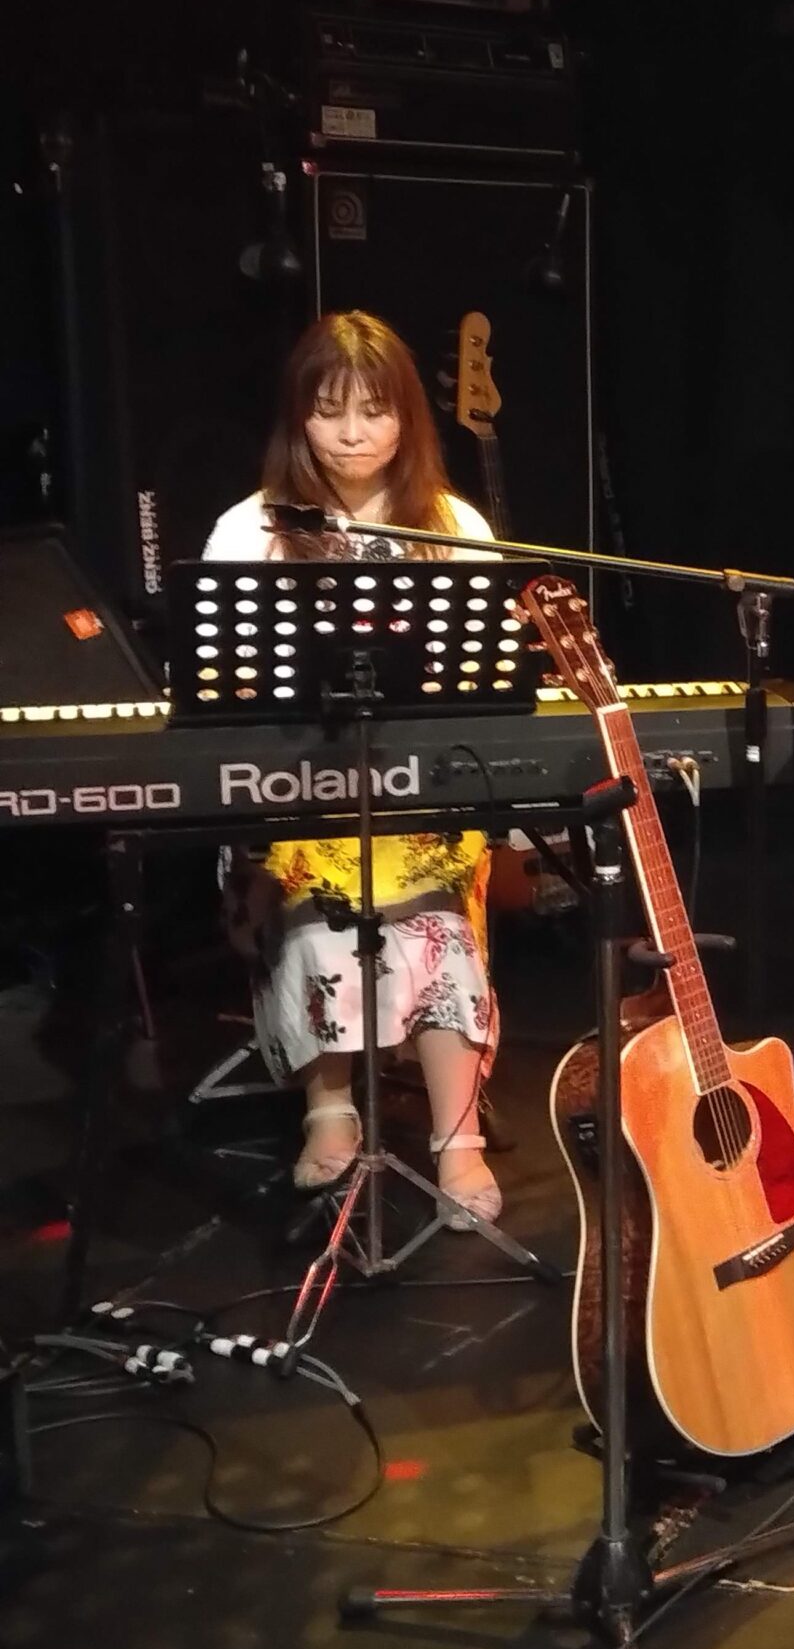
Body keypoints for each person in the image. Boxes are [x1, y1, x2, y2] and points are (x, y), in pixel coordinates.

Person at [203, 310, 504, 1227]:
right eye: (329, 411)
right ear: (298, 418)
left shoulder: (451, 524)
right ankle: (328, 1106)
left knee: (437, 919)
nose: (351, 433)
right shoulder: (252, 528)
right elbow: (217, 678)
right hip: (300, 786)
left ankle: (459, 1140)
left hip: (416, 788)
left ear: (408, 417)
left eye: (375, 411)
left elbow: (484, 673)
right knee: (315, 904)